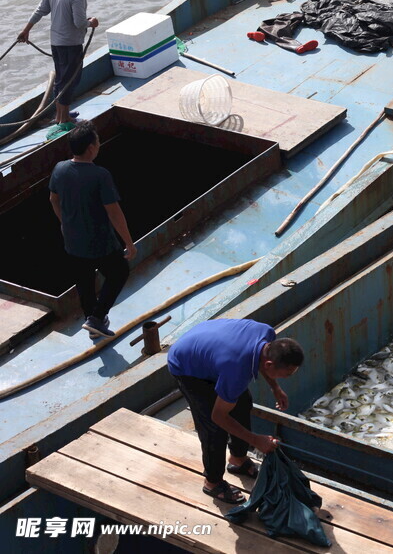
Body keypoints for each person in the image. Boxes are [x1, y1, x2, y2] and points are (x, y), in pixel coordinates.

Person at [167, 319, 304, 504]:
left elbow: (262, 361)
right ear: (270, 364)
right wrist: (256, 440)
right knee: (214, 429)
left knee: (243, 402)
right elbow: (218, 416)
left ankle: (238, 459)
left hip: (210, 348)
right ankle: (212, 482)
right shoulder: (238, 370)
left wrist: (275, 387)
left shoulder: (266, 332)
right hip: (187, 365)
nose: (288, 377)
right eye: (287, 374)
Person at [48, 121, 136, 340]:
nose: (99, 145)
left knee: (84, 282)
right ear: (90, 148)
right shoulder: (100, 175)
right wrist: (129, 242)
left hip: (73, 242)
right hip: (100, 243)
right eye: (97, 142)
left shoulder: (60, 169)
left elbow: (53, 199)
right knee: (119, 272)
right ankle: (97, 318)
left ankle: (92, 325)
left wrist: (64, 223)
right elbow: (114, 212)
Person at [18, 0, 101, 125]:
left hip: (56, 42)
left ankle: (61, 115)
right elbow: (79, 23)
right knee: (71, 80)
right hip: (71, 43)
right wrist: (91, 22)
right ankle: (63, 119)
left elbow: (40, 10)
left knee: (62, 78)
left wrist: (26, 30)